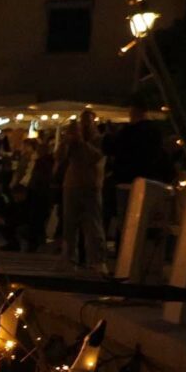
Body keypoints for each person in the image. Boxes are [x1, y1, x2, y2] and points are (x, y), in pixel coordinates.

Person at [61, 111, 106, 270]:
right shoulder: (73, 141)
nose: (85, 124)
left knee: (93, 224)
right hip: (72, 185)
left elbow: (95, 157)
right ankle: (69, 258)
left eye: (88, 121)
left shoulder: (98, 139)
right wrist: (65, 141)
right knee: (69, 224)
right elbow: (60, 157)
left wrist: (80, 142)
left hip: (90, 185)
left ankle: (97, 260)